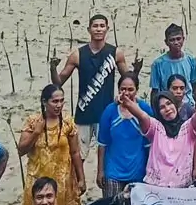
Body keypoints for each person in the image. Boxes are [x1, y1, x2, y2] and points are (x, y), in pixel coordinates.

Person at [50, 14, 136, 160]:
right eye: (95, 26)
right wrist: (53, 68)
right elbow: (58, 83)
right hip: (84, 113)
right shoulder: (77, 55)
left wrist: (137, 71)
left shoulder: (116, 53)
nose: (98, 29)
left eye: (102, 26)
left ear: (107, 29)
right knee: (78, 157)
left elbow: (128, 82)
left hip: (107, 113)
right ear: (89, 29)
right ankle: (79, 177)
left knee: (109, 156)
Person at [96, 72, 152, 205]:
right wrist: (100, 170)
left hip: (137, 170)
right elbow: (102, 144)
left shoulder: (145, 110)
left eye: (130, 89)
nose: (126, 93)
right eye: (122, 89)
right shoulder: (110, 111)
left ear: (137, 90)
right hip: (113, 170)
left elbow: (149, 143)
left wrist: (148, 172)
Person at [123, 90, 196, 189]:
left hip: (182, 188)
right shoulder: (156, 128)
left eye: (169, 103)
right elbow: (142, 116)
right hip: (156, 187)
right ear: (158, 112)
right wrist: (127, 102)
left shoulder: (188, 128)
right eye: (162, 107)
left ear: (175, 104)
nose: (167, 109)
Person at [18, 84, 85, 205]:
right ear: (44, 102)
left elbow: (75, 152)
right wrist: (36, 133)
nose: (59, 105)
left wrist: (81, 178)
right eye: (55, 101)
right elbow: (21, 150)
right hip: (38, 180)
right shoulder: (33, 122)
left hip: (62, 181)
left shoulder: (67, 122)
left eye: (61, 101)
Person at [150, 23, 196, 109]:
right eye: (172, 40)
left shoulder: (191, 60)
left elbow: (194, 85)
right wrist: (155, 111)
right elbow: (155, 91)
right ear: (166, 42)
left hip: (187, 104)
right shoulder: (158, 64)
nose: (176, 43)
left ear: (183, 39)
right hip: (168, 105)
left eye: (178, 39)